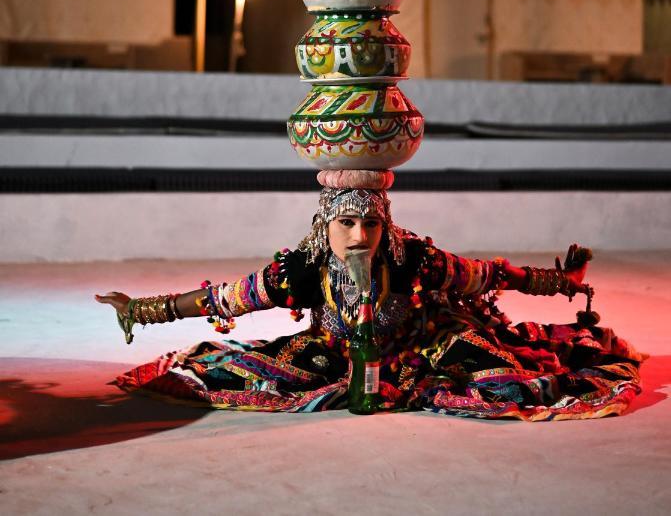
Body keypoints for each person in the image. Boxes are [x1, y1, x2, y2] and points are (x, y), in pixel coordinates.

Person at [95, 188, 644, 419]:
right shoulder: (303, 268)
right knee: (256, 373)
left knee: (498, 373)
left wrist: (559, 280)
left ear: (387, 222)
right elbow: (226, 298)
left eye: (371, 222)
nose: (360, 235)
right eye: (346, 222)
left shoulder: (414, 261)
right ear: (323, 225)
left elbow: (489, 275)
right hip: (336, 350)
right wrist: (143, 309)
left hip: (422, 342)